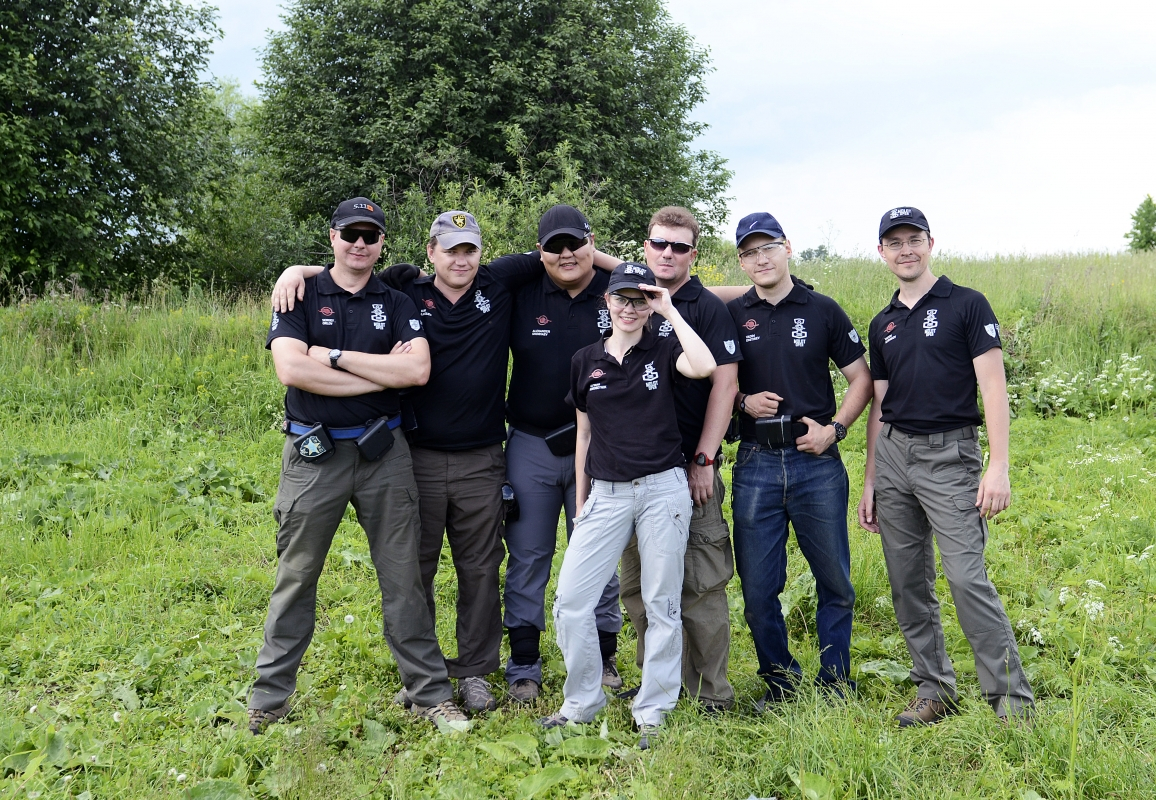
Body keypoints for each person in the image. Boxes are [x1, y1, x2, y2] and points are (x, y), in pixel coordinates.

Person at [271, 211, 541, 712]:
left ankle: (474, 672)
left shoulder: (500, 283)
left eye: (469, 249)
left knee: (481, 569)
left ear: (480, 253)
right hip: (414, 454)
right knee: (412, 572)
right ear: (430, 252)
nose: (460, 259)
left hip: (482, 455)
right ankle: (422, 673)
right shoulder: (405, 289)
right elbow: (348, 268)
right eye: (450, 249)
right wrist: (296, 271)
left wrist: (329, 355)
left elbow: (571, 257)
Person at [249, 197, 466, 733]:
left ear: (382, 243)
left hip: (383, 455)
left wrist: (333, 359)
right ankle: (269, 699)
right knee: (296, 577)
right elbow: (291, 370)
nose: (360, 244)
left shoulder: (396, 300)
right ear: (333, 237)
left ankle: (430, 695)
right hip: (313, 457)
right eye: (351, 234)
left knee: (404, 579)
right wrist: (378, 376)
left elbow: (416, 372)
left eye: (371, 235)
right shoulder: (298, 293)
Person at [857, 206, 1035, 726]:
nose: (905, 250)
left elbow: (993, 388)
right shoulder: (883, 323)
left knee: (965, 577)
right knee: (907, 581)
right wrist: (871, 477)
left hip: (949, 456)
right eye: (894, 242)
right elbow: (880, 405)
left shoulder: (967, 304)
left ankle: (1010, 700)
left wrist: (998, 466)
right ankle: (933, 688)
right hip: (894, 457)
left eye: (914, 239)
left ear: (930, 243)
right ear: (882, 252)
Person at [542, 261, 717, 749]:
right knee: (571, 602)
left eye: (640, 301)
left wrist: (669, 311)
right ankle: (582, 701)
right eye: (622, 298)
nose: (630, 308)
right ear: (607, 301)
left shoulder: (664, 348)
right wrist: (582, 501)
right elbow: (583, 435)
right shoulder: (585, 360)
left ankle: (653, 711)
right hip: (607, 493)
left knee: (662, 604)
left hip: (663, 490)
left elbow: (705, 366)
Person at [725, 212, 873, 705]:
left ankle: (835, 682)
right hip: (756, 463)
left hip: (817, 464)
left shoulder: (823, 309)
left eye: (768, 247)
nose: (761, 259)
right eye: (749, 252)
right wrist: (742, 400)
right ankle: (781, 683)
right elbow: (713, 379)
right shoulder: (733, 314)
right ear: (741, 262)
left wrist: (835, 430)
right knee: (757, 590)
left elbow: (862, 379)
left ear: (787, 247)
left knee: (835, 581)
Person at [607, 206, 742, 713]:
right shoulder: (627, 299)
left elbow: (725, 385)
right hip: (635, 471)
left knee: (700, 582)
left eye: (679, 246)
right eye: (659, 243)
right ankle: (658, 683)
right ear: (645, 246)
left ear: (693, 253)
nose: (668, 253)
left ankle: (711, 693)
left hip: (689, 465)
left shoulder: (706, 308)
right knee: (639, 583)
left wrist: (704, 458)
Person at [502, 205, 624, 703]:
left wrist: (607, 262)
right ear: (539, 252)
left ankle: (603, 657)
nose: (566, 253)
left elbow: (673, 285)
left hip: (600, 446)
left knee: (598, 553)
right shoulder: (520, 291)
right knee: (528, 555)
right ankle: (524, 665)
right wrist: (303, 270)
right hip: (532, 443)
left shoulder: (619, 292)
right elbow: (450, 274)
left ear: (592, 242)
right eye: (554, 246)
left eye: (576, 242)